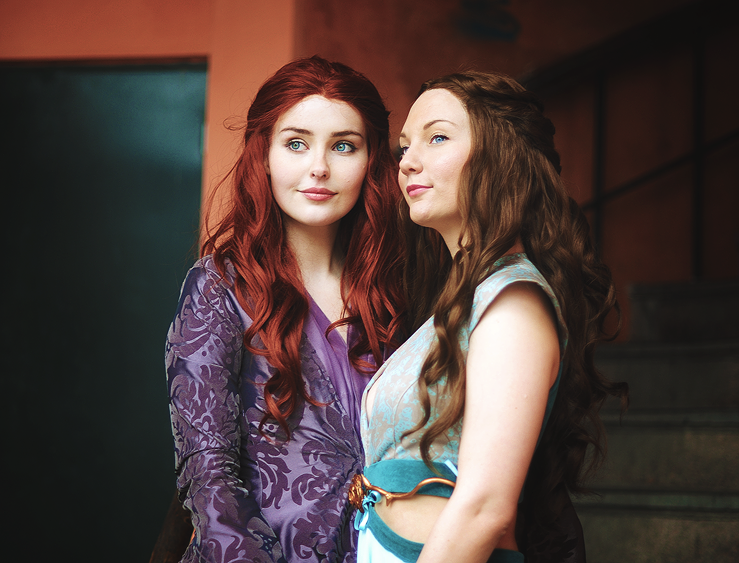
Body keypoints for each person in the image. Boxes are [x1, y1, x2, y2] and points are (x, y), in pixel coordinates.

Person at [352, 71, 628, 563]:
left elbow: (485, 508)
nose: (407, 161)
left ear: (502, 156)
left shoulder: (513, 302)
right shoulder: (462, 298)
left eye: (437, 137)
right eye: (404, 147)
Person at [165, 56, 405, 563]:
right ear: (265, 157)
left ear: (371, 160)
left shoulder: (395, 290)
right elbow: (209, 476)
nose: (319, 167)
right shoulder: (220, 287)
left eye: (344, 145)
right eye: (296, 143)